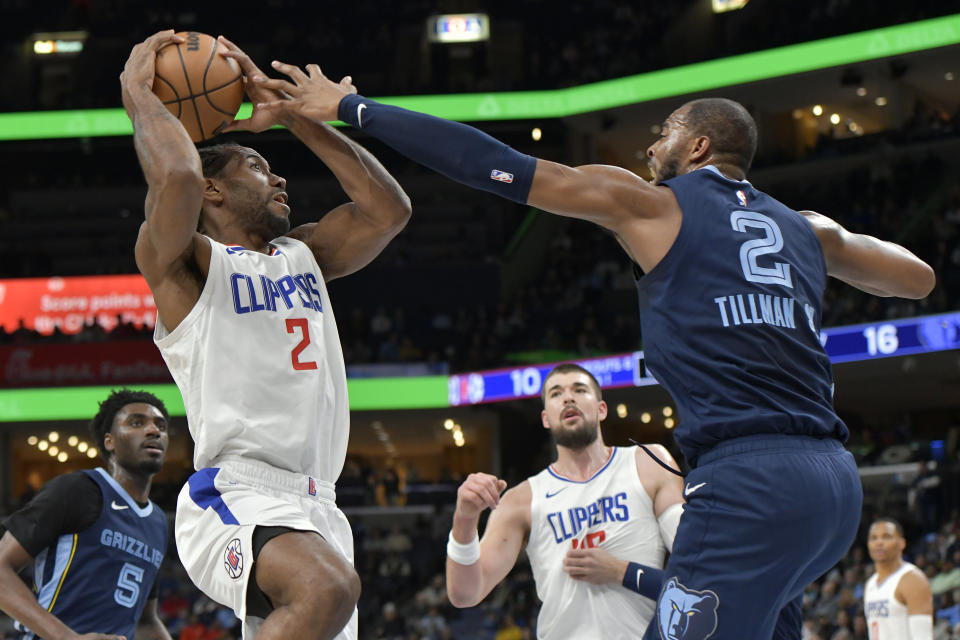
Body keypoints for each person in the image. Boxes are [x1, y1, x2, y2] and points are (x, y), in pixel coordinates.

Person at [247, 64, 937, 638]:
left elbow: (492, 165)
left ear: (697, 147)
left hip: (747, 479)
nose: (650, 150)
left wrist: (352, 108)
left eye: (663, 135)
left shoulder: (651, 204)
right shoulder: (809, 229)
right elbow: (917, 277)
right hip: (835, 486)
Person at [119, 32, 412, 640]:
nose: (279, 179)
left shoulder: (303, 253)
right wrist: (139, 96)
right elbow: (176, 177)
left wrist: (294, 121)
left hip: (320, 506)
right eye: (257, 166)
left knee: (328, 590)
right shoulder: (184, 265)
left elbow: (390, 210)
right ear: (215, 190)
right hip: (236, 493)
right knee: (327, 587)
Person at [446, 364, 684, 638]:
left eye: (580, 390)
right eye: (557, 393)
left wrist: (621, 571)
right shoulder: (521, 500)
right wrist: (464, 519)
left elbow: (695, 567)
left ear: (602, 409)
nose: (568, 397)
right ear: (546, 418)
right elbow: (465, 594)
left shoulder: (648, 463)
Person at [0, 389, 172, 640]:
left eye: (161, 426)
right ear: (109, 441)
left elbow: (146, 621)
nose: (154, 430)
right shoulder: (77, 490)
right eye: (137, 422)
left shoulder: (158, 523)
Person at [864, 518, 933, 639]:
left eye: (886, 537)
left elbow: (923, 636)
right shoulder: (870, 584)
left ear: (902, 543)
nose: (879, 542)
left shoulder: (913, 579)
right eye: (873, 538)